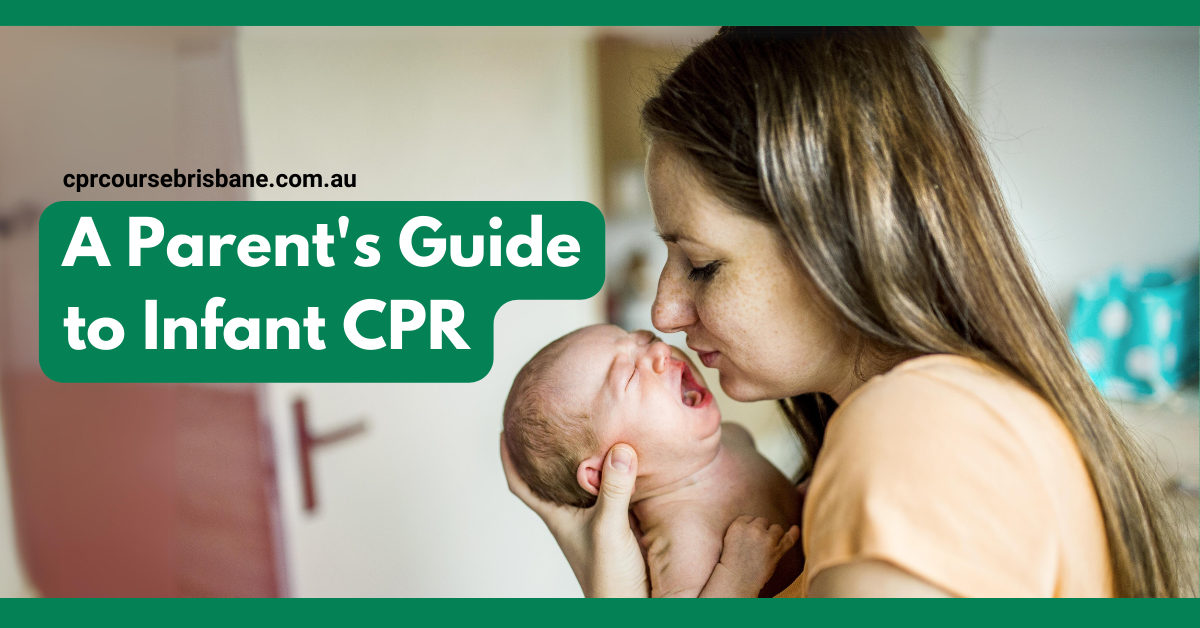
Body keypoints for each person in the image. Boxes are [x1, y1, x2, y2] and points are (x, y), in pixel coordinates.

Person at [501, 26, 1192, 597]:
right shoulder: (912, 423)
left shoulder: (913, 434)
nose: (666, 310)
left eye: (702, 264)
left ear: (835, 237)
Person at [502, 324, 802, 597]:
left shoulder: (733, 438)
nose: (660, 350)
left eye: (646, 339)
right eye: (631, 375)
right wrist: (738, 578)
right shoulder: (683, 537)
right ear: (603, 472)